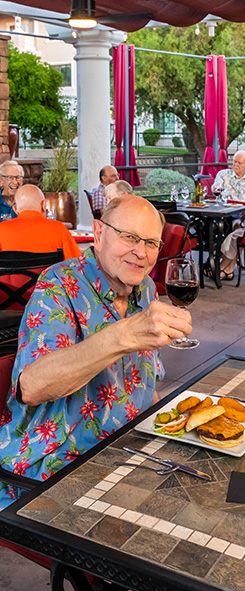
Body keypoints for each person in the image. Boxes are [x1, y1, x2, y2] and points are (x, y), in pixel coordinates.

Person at [0, 195, 192, 510]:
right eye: (129, 237)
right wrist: (124, 335)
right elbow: (32, 388)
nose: (141, 252)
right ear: (99, 233)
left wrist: (174, 428)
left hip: (126, 453)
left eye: (151, 243)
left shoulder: (146, 289)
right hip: (51, 468)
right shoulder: (58, 285)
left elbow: (142, 385)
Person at [0, 185, 81, 259]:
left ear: (15, 209)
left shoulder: (1, 230)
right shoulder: (59, 229)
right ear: (43, 205)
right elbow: (77, 264)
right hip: (48, 275)